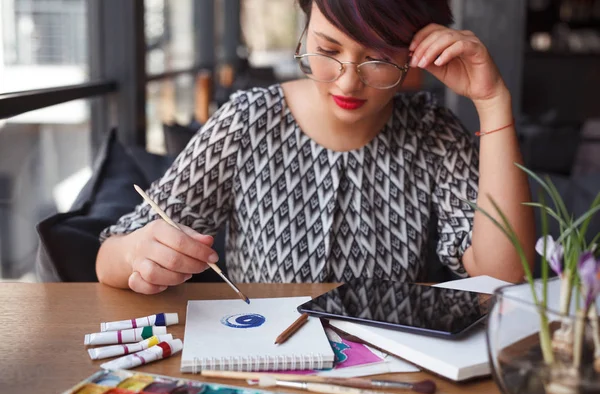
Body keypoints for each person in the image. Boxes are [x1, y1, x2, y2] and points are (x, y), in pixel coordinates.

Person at [96, 0, 534, 294]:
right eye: (327, 49)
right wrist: (139, 252)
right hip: (261, 367)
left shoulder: (431, 132)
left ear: (411, 56)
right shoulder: (247, 121)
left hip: (384, 378)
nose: (348, 80)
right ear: (304, 31)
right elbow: (110, 253)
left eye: (378, 59)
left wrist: (493, 103)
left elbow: (504, 277)